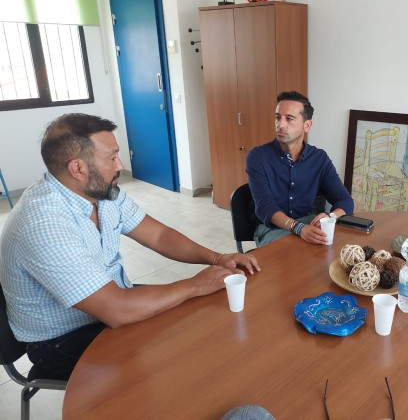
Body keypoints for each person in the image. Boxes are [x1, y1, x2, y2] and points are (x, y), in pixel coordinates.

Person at [0, 113, 259, 381]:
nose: (121, 165)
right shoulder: (42, 223)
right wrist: (195, 284)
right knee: (176, 354)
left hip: (111, 303)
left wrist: (216, 258)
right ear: (77, 168)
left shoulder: (101, 193)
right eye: (112, 158)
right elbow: (117, 310)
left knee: (197, 319)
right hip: (61, 340)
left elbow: (158, 235)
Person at [246, 91, 354, 246]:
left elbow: (345, 201)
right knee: (299, 260)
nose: (280, 124)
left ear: (307, 125)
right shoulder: (257, 157)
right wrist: (298, 228)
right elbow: (265, 207)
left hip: (309, 223)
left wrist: (330, 217)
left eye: (289, 119)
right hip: (272, 229)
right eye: (278, 117)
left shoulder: (319, 158)